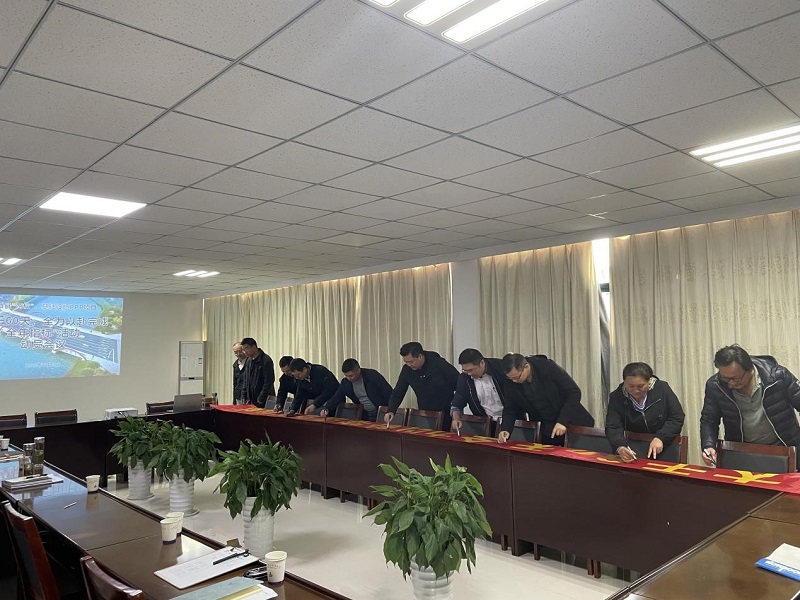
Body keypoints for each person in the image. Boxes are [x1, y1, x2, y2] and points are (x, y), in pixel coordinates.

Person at [701, 345, 800, 467]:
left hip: (783, 447)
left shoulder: (777, 376)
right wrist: (708, 445)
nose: (731, 383)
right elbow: (709, 419)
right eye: (726, 378)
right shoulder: (716, 385)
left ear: (750, 369)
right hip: (741, 451)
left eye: (736, 378)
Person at [498, 353, 594, 446]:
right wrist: (505, 429)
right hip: (546, 428)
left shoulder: (547, 367)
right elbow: (510, 408)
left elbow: (574, 392)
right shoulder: (510, 380)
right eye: (511, 378)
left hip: (572, 423)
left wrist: (563, 421)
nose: (514, 381)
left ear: (526, 367)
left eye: (517, 377)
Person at [605, 362, 685, 462]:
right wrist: (620, 446)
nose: (636, 390)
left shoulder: (662, 389)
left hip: (664, 445)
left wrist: (661, 437)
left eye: (640, 386)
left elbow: (677, 417)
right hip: (634, 446)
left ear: (649, 381)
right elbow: (613, 426)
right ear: (624, 382)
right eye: (630, 386)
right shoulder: (617, 396)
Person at [385, 342, 459, 431]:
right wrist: (391, 410)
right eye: (406, 362)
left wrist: (456, 408)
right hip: (425, 412)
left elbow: (458, 383)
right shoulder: (407, 370)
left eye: (411, 361)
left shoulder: (438, 363)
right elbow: (398, 391)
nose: (409, 365)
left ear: (420, 356)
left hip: (446, 411)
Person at [450, 348, 505, 435]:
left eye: (471, 370)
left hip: (507, 422)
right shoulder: (464, 378)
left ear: (482, 363)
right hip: (484, 424)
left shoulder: (500, 369)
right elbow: (457, 403)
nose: (469, 374)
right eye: (465, 370)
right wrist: (456, 418)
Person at [320, 358, 392, 421]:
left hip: (381, 413)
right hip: (364, 414)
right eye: (346, 376)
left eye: (351, 375)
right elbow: (337, 397)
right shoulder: (346, 383)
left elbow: (388, 392)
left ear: (358, 370)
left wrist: (391, 410)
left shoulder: (372, 376)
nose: (349, 378)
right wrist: (326, 408)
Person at [240, 337, 275, 408]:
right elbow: (246, 380)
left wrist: (261, 398)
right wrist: (243, 395)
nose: (245, 352)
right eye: (243, 350)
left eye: (246, 348)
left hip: (264, 399)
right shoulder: (248, 361)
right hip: (251, 399)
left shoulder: (266, 360)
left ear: (254, 347)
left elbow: (269, 381)